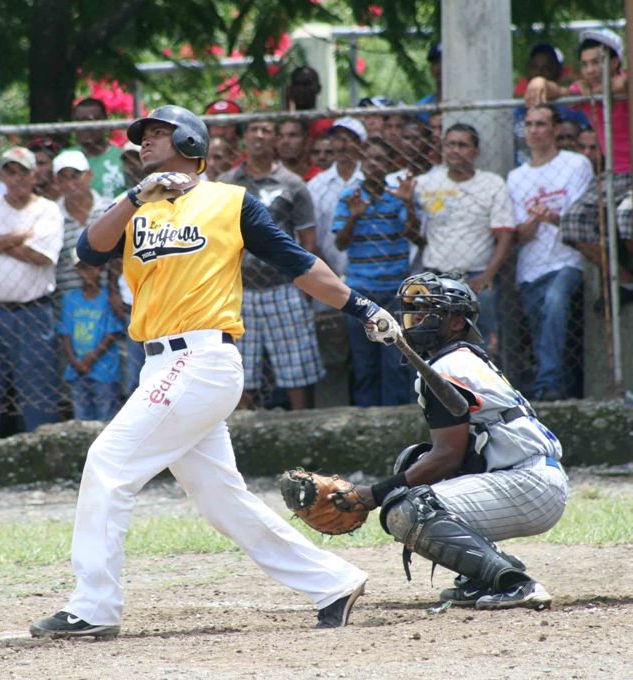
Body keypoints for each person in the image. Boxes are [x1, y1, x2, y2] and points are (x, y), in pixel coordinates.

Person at [29, 104, 403, 639]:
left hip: (200, 359)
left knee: (108, 465)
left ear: (188, 141)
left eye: (157, 134)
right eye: (143, 138)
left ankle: (93, 607)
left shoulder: (230, 202)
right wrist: (137, 195)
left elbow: (300, 264)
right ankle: (333, 582)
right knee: (222, 499)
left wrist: (364, 308)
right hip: (159, 364)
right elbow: (88, 250)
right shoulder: (135, 207)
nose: (145, 145)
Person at [338, 271, 567, 609]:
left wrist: (373, 495)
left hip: (528, 483)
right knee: (414, 463)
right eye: (412, 312)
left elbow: (447, 458)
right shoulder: (463, 358)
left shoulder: (447, 368)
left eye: (427, 313)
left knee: (408, 510)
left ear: (457, 321)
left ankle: (514, 583)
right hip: (528, 478)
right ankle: (484, 573)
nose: (415, 321)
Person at [524, 29, 633, 277]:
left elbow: (626, 82)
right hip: (613, 175)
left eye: (596, 62)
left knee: (626, 219)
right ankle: (626, 280)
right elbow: (558, 92)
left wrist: (598, 90)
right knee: (573, 222)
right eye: (585, 64)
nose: (589, 69)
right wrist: (539, 82)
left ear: (614, 62)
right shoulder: (586, 91)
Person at [220, 118, 324, 410]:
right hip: (240, 289)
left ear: (275, 139)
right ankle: (244, 432)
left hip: (284, 286)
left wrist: (305, 286)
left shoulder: (293, 184)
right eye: (253, 129)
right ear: (244, 139)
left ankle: (302, 430)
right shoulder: (227, 184)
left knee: (297, 368)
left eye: (266, 130)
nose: (259, 135)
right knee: (241, 368)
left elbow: (309, 241)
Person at [0, 146, 63, 441]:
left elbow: (42, 256)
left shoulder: (47, 209)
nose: (16, 178)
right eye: (10, 171)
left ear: (35, 175)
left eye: (23, 172)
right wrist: (19, 237)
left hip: (34, 310)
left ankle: (45, 446)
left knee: (39, 386)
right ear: (2, 174)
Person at [507, 106, 594, 400]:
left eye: (541, 124)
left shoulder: (575, 164)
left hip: (568, 258)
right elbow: (519, 233)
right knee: (543, 328)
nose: (534, 130)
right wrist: (534, 221)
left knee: (556, 303)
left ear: (555, 129)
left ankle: (548, 386)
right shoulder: (516, 177)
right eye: (529, 124)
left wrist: (553, 218)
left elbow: (579, 218)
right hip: (531, 267)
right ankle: (553, 382)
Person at [406, 123, 516, 354]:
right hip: (434, 276)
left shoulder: (492, 184)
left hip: (476, 276)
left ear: (475, 151)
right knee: (428, 342)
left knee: (480, 343)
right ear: (443, 148)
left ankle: (481, 388)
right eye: (450, 144)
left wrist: (488, 275)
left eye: (462, 145)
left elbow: (505, 235)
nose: (455, 150)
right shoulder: (425, 184)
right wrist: (407, 202)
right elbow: (414, 233)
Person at [333, 137, 417, 406]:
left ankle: (395, 417)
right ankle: (366, 416)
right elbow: (340, 242)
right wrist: (355, 216)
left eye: (380, 159)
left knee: (396, 362)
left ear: (389, 165)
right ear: (361, 163)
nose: (373, 164)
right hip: (361, 291)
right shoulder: (350, 197)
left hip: (395, 290)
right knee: (364, 362)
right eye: (368, 159)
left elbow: (414, 234)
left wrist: (408, 204)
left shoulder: (398, 197)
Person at [58, 253, 124, 422]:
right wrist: (74, 360)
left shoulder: (108, 298)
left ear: (101, 269)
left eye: (93, 267)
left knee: (106, 417)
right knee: (81, 417)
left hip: (104, 370)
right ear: (76, 270)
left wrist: (90, 359)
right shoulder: (70, 299)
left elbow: (112, 333)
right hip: (76, 370)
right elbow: (64, 333)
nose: (89, 273)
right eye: (83, 268)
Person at [307, 117, 366, 277]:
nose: (342, 146)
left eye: (348, 140)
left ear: (360, 144)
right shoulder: (316, 185)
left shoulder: (370, 180)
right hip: (327, 272)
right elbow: (312, 235)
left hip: (368, 273)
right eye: (337, 139)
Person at [53, 148, 104, 297]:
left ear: (89, 175)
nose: (70, 183)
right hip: (64, 301)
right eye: (62, 178)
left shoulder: (109, 210)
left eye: (75, 176)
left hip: (107, 301)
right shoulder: (51, 215)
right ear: (55, 181)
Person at [71, 96, 126, 201]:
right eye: (79, 121)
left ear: (104, 121)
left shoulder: (122, 157)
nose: (84, 127)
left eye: (90, 120)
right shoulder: (66, 157)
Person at [284, 65, 332, 139]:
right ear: (290, 89)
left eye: (306, 84)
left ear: (318, 88)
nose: (301, 89)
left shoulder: (328, 125)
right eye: (297, 84)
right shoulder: (282, 126)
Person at [28, 136, 62, 201]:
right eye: (33, 164)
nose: (36, 169)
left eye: (41, 163)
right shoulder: (22, 198)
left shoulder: (67, 196)